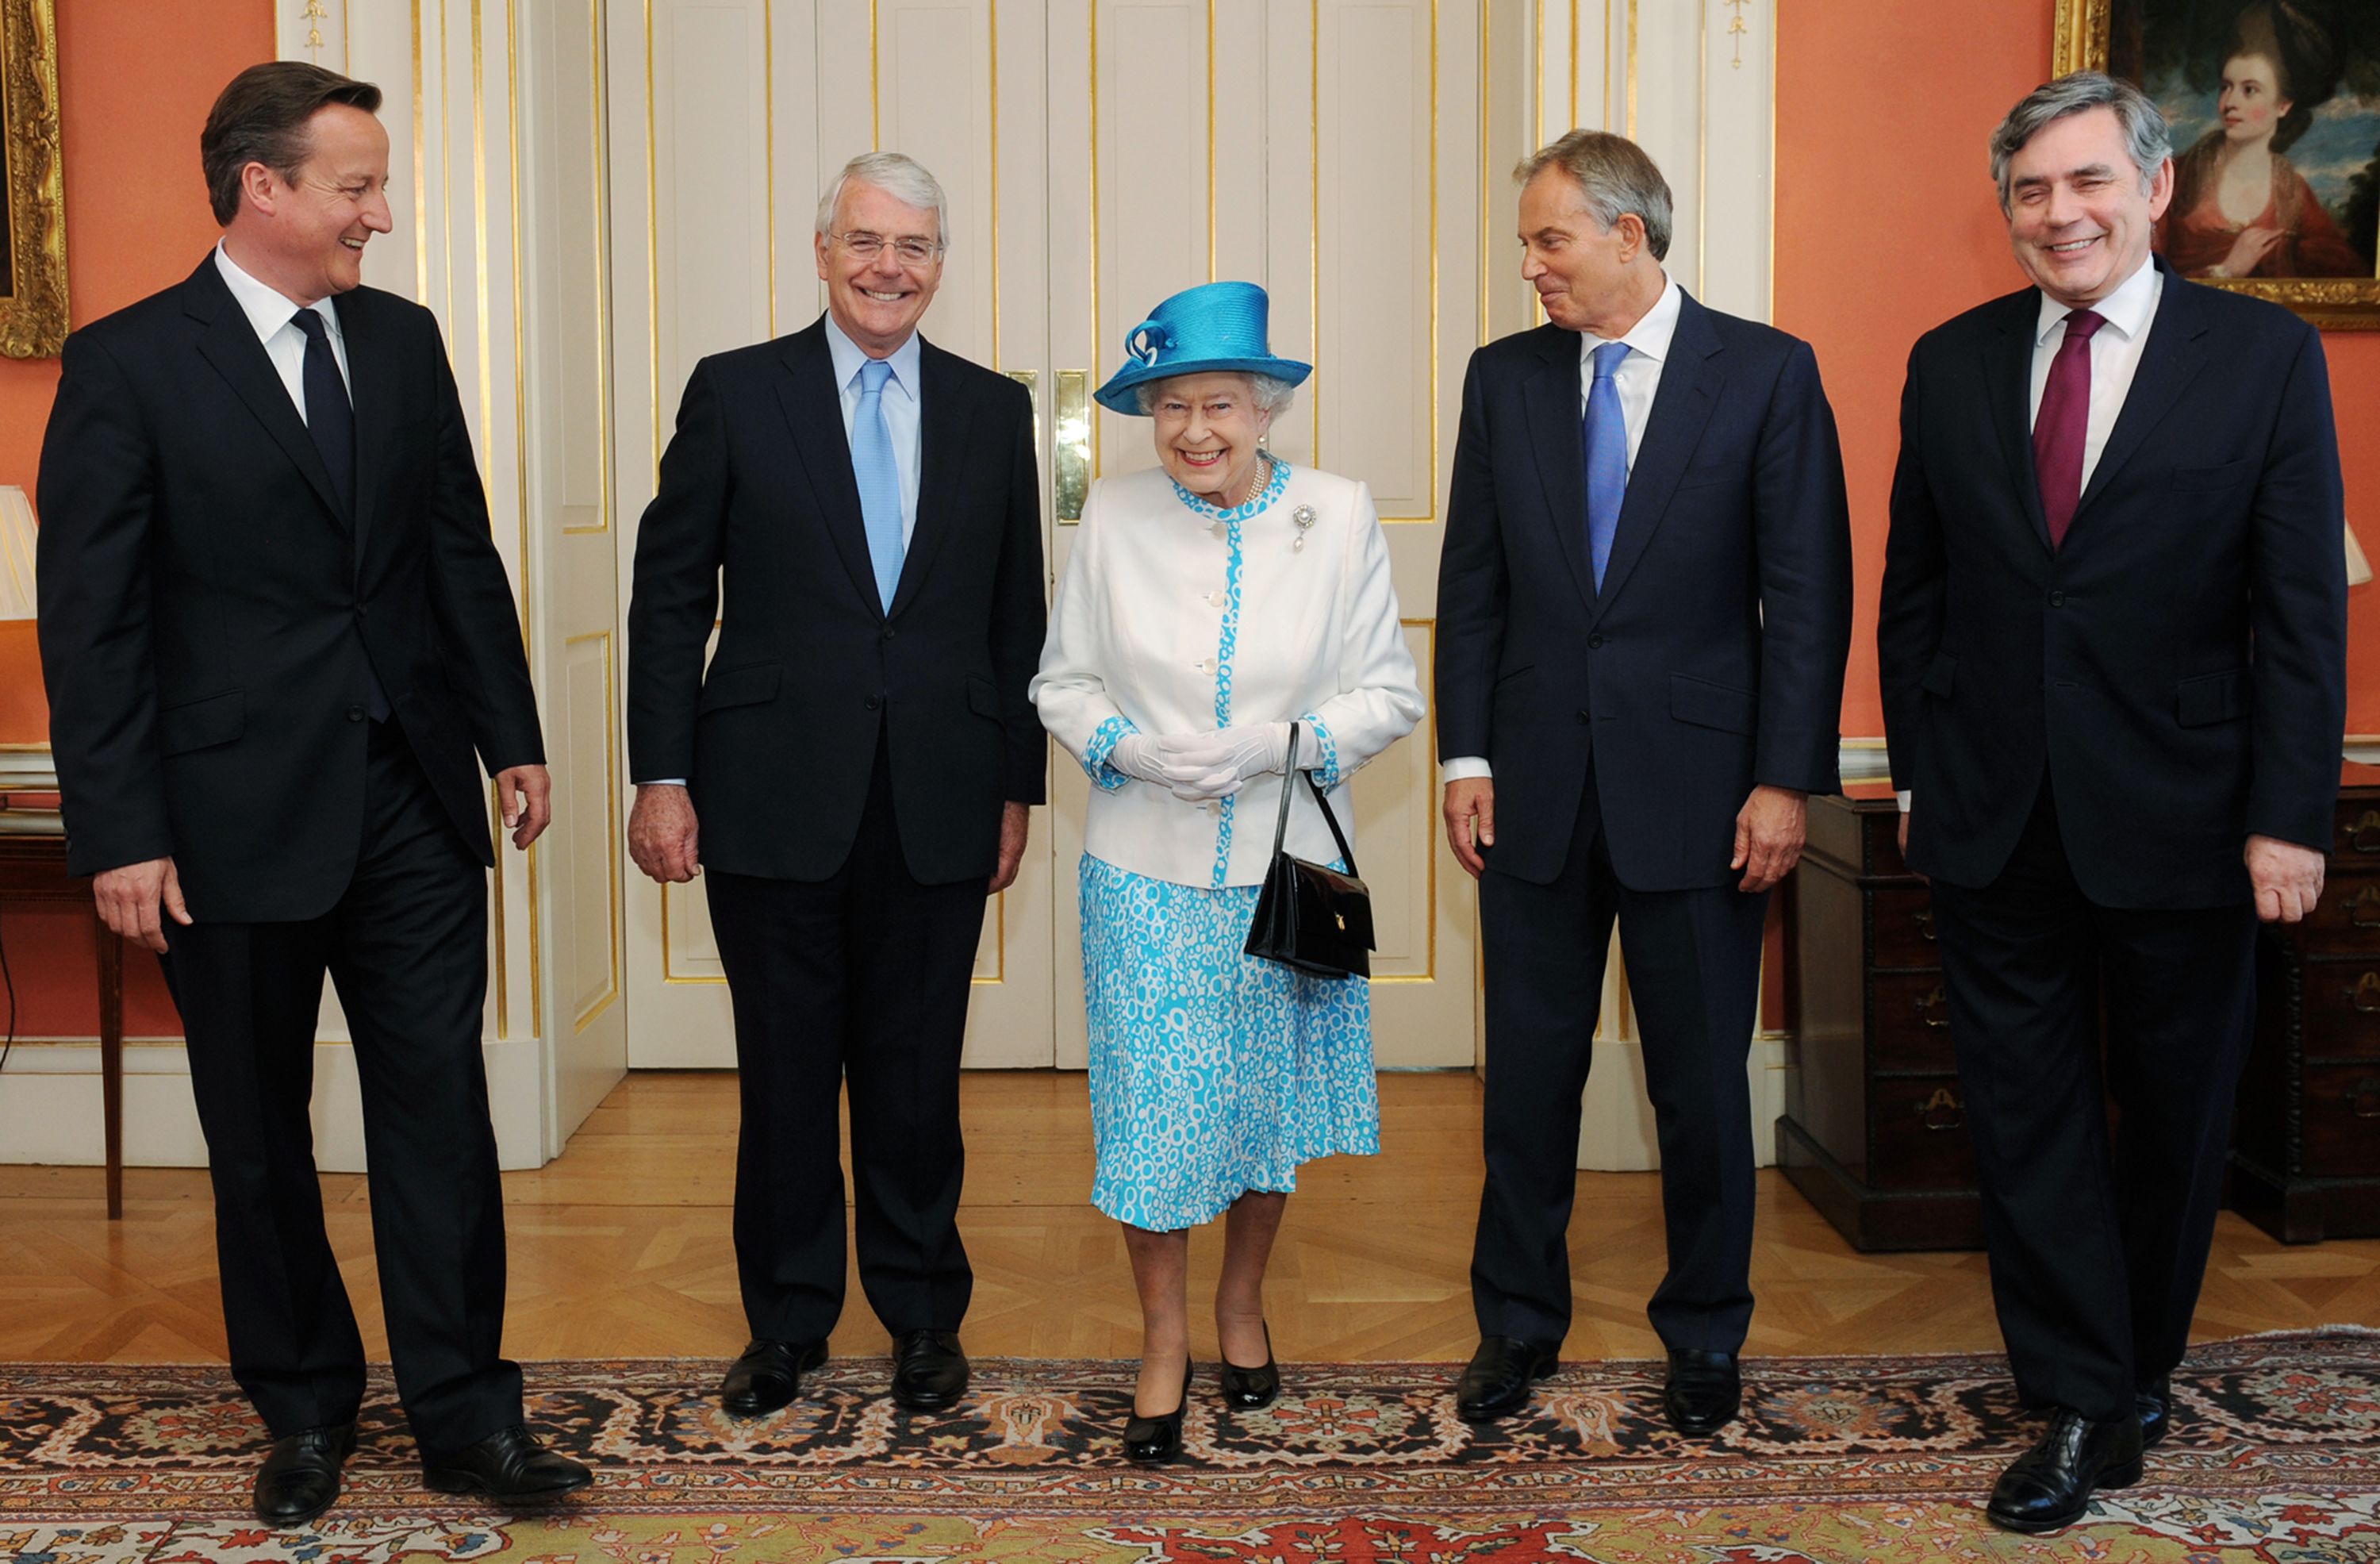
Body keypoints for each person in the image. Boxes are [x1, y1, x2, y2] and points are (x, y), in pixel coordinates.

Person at [34, 62, 589, 1524]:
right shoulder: (128, 363)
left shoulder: (401, 345)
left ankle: (469, 1414)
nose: (383, 216)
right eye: (357, 187)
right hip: (225, 825)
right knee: (259, 1129)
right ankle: (303, 1409)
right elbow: (94, 624)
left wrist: (507, 733)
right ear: (261, 187)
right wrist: (122, 831)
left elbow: (454, 550)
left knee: (438, 1112)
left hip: (408, 791)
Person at [1879, 71, 2347, 1535]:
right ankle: (2081, 1392)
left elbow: (2300, 613)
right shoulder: (1950, 361)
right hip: (1994, 814)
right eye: (2030, 190)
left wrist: (2290, 816)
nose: (2057, 213)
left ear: (2154, 188)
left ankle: (2137, 1359)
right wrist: (1919, 767)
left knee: (2179, 1112)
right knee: (2025, 1117)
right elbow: (1918, 595)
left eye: (2086, 182)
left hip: (2192, 814)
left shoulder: (2262, 359)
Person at [1436, 132, 1852, 1435]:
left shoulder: (1767, 375)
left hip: (1706, 798)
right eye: (1527, 241)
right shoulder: (1504, 380)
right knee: (1529, 1083)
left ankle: (1707, 1334)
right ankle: (1516, 1323)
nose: (1531, 265)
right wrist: (1466, 752)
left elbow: (1808, 594)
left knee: (1699, 1088)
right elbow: (1473, 585)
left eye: (1549, 239)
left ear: (1631, 234)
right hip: (1538, 791)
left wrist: (1787, 783)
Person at [625, 152, 1045, 1419]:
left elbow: (1014, 611)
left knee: (918, 1079)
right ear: (821, 250)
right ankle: (786, 1323)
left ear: (939, 265)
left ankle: (924, 1318)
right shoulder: (736, 392)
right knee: (788, 1074)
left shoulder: (990, 408)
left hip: (940, 792)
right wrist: (663, 771)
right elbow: (666, 597)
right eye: (866, 240)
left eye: (914, 247)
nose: (887, 267)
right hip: (765, 793)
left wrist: (1016, 783)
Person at [1032, 280, 1422, 1465]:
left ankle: (1243, 1305)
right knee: (1153, 1117)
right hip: (1140, 862)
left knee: (1267, 1108)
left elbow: (1391, 692)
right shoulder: (1113, 512)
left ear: (1265, 410)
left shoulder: (1341, 514)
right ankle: (1163, 1339)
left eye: (1219, 405)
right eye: (1171, 408)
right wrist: (1124, 746)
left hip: (1293, 859)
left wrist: (1282, 744)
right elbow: (1062, 679)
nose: (1195, 430)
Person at [2156, 6, 2367, 279]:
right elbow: (2144, 271)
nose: (2230, 103)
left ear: (2283, 105)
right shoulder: (2178, 176)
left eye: (2249, 90)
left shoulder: (2291, 193)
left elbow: (2345, 272)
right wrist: (2228, 269)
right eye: (2226, 87)